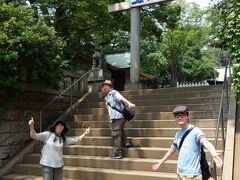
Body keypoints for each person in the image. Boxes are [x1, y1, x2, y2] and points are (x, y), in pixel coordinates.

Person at [152, 105, 223, 180]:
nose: (180, 117)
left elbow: (205, 142)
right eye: (177, 116)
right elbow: (171, 150)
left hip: (192, 175)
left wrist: (214, 154)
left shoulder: (196, 131)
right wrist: (161, 161)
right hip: (180, 173)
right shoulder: (178, 134)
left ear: (187, 116)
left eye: (182, 115)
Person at [102, 80, 136, 159]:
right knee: (120, 130)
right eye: (103, 86)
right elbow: (110, 109)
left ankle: (117, 153)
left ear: (110, 86)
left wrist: (129, 103)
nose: (104, 87)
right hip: (115, 117)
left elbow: (121, 99)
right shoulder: (107, 97)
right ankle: (126, 142)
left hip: (118, 116)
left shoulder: (113, 92)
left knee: (115, 134)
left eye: (106, 86)